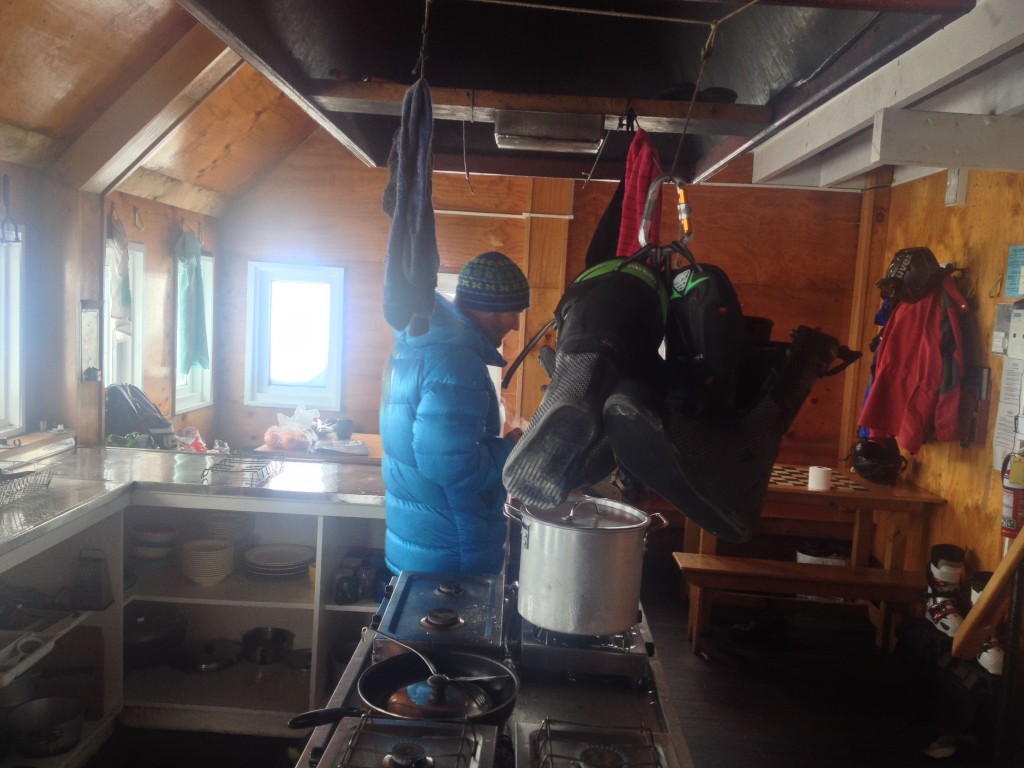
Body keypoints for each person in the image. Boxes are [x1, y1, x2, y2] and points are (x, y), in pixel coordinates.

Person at [380, 251, 529, 576]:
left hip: (425, 540)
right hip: (451, 552)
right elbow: (450, 465)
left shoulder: (418, 343)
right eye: (513, 312)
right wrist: (512, 449)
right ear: (488, 308)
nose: (516, 324)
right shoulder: (455, 361)